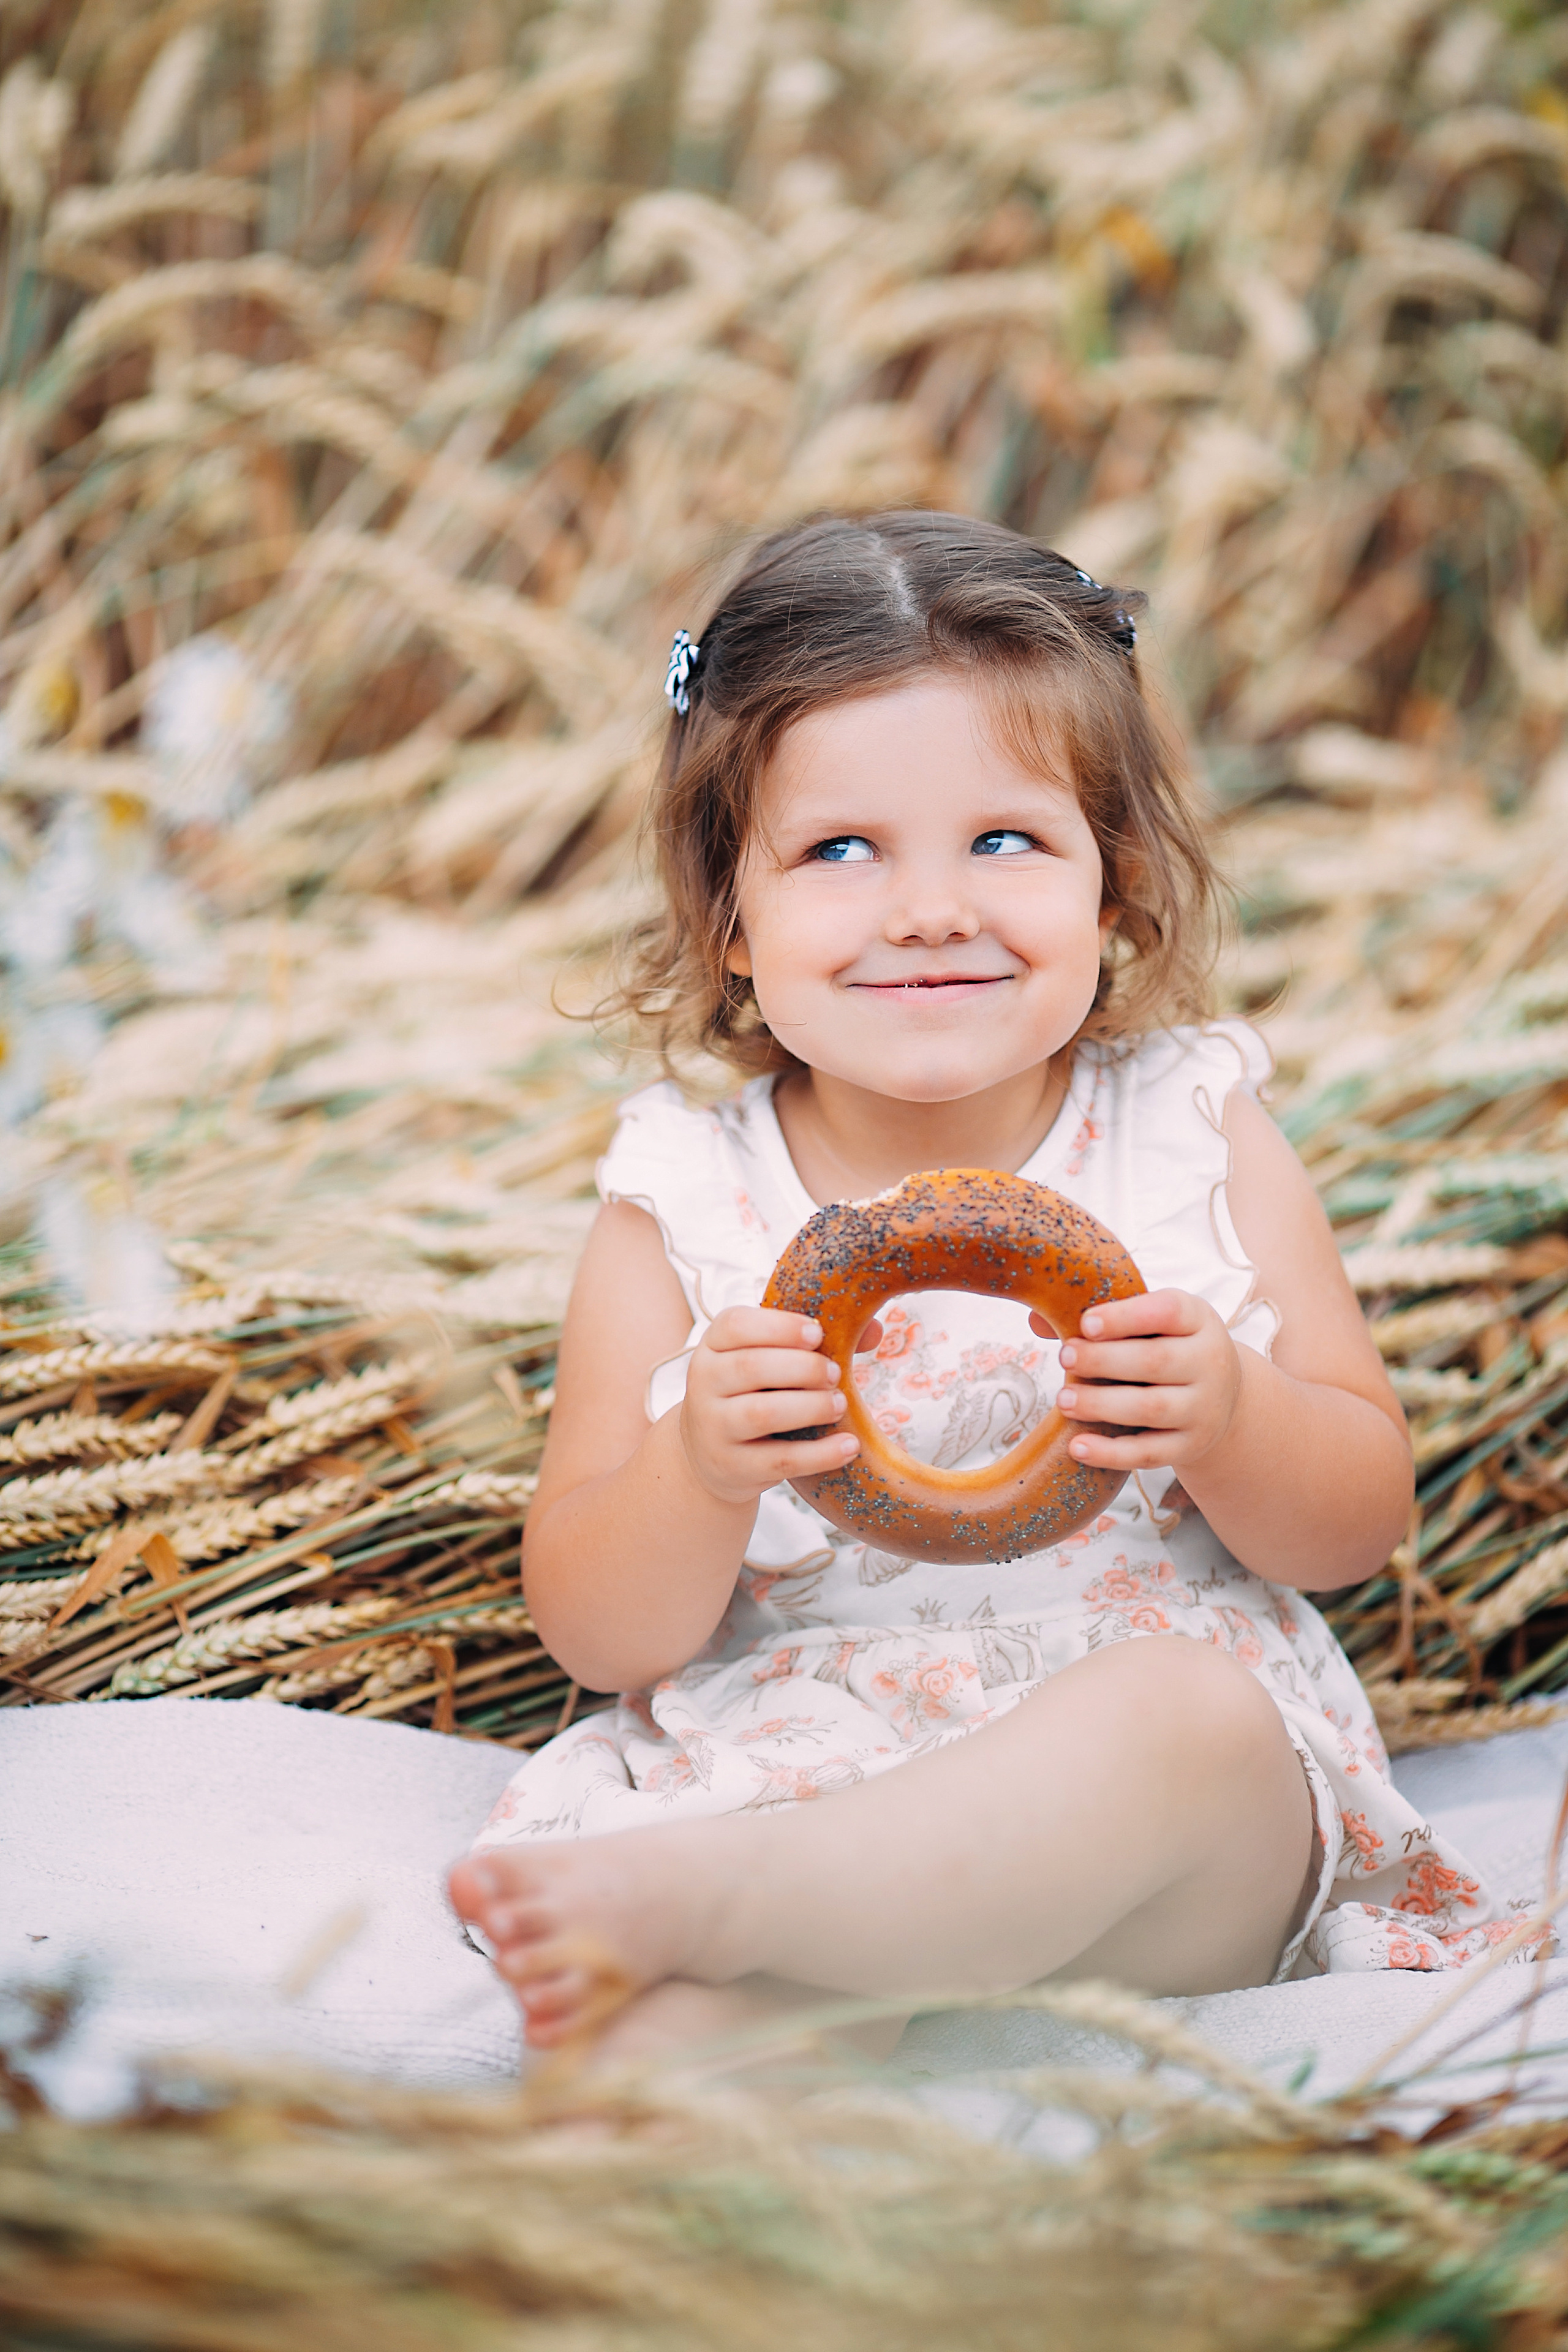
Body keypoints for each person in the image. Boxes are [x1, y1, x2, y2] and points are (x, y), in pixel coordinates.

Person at [450, 510, 1513, 2060]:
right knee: (654, 2042)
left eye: (1003, 840)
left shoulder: (1186, 1131)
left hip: (1152, 1848)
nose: (931, 907)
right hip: (811, 1770)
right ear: (728, 920)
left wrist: (1230, 1413)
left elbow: (1356, 1523)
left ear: (1112, 882)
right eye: (838, 850)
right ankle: (673, 2119)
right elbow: (600, 1635)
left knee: (1186, 1719)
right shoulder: (682, 1196)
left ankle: (743, 1905)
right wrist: (691, 1469)